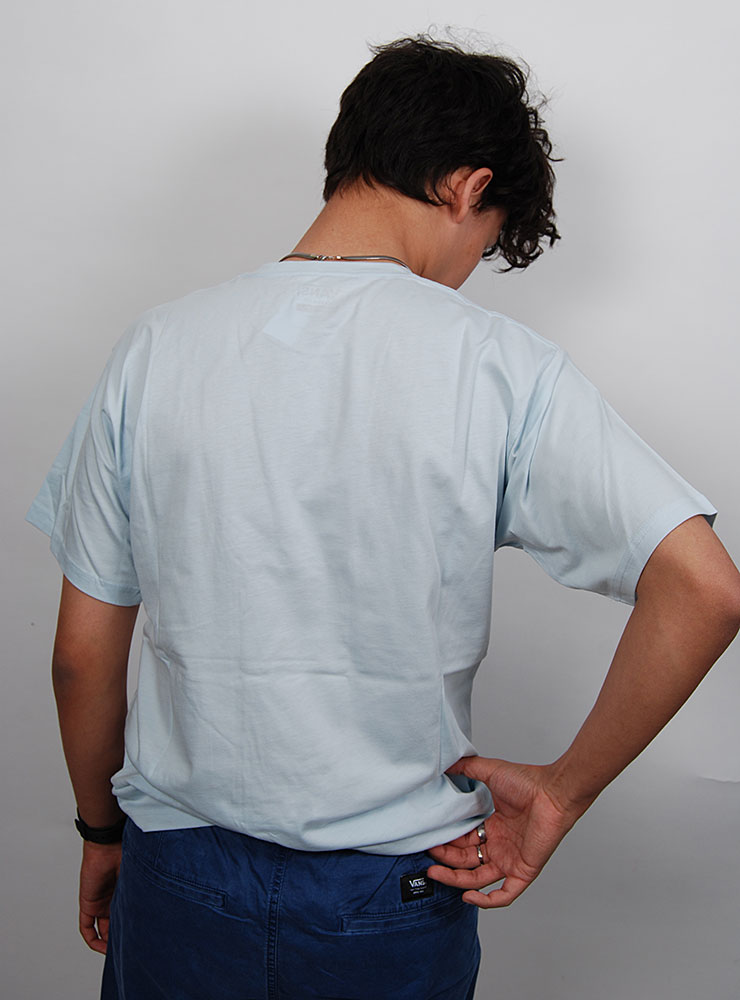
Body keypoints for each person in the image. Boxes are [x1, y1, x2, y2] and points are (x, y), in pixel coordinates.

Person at [28, 34, 740, 1000]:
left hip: (180, 877)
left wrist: (99, 830)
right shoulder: (498, 366)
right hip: (389, 899)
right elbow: (704, 589)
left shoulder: (155, 350)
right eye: (484, 242)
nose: (464, 273)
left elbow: (80, 657)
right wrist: (561, 792)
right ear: (466, 186)